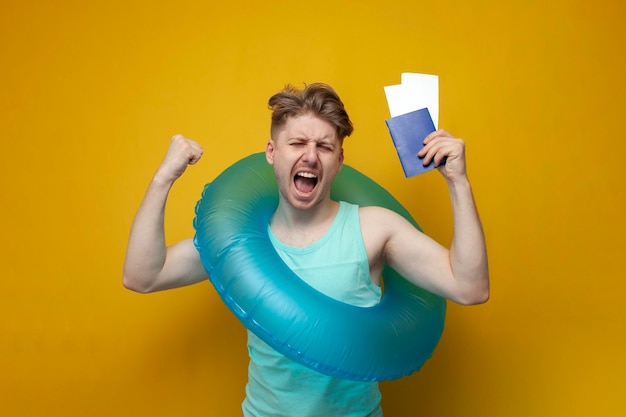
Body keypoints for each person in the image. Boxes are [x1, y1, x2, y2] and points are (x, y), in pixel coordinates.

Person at [123, 83, 489, 417]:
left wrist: (458, 183)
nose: (311, 156)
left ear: (339, 161)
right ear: (272, 152)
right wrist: (162, 179)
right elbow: (143, 276)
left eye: (325, 147)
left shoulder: (374, 228)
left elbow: (469, 287)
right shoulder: (240, 244)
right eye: (297, 143)